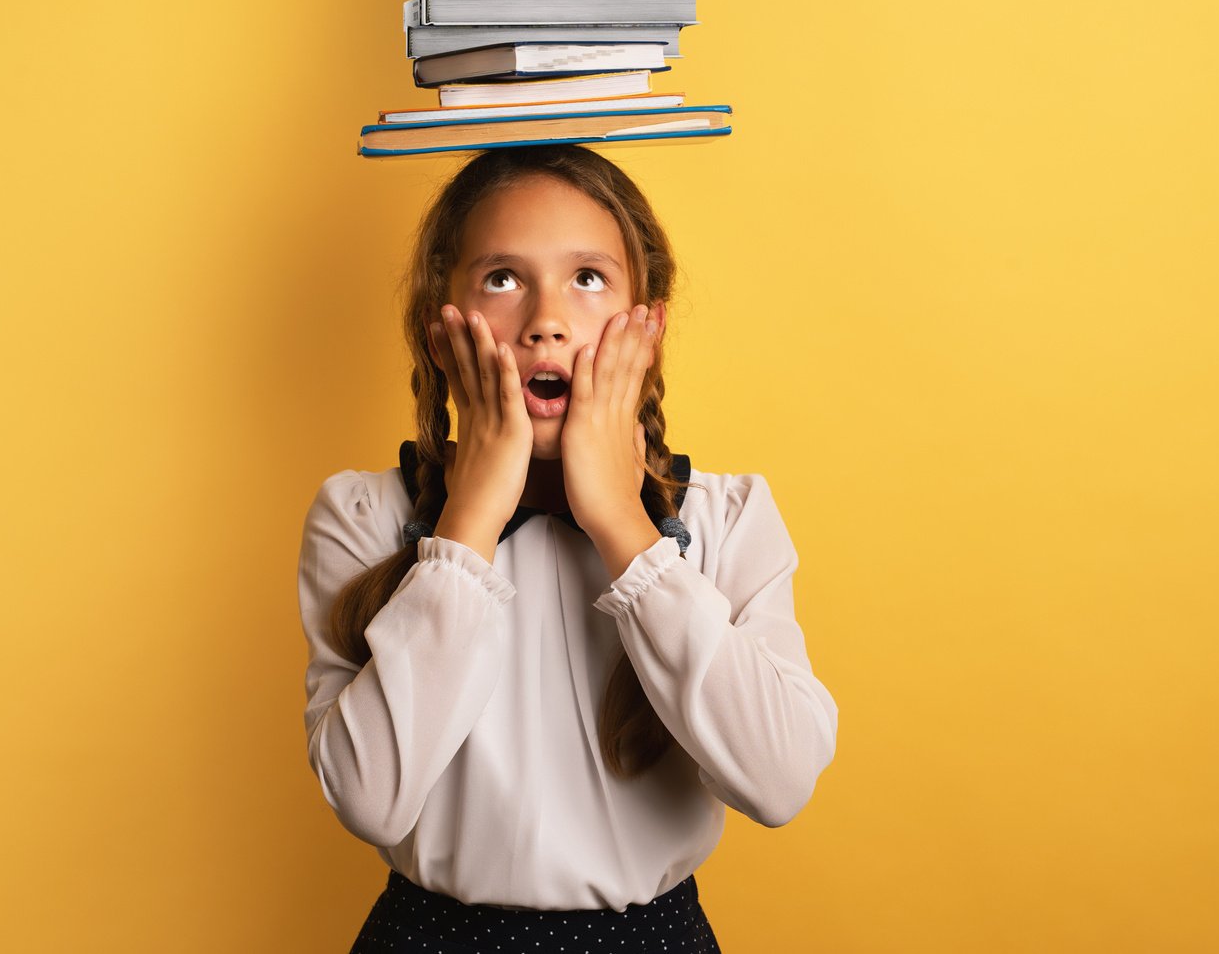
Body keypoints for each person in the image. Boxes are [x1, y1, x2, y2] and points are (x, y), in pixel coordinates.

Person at [297, 144, 839, 951]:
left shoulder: (729, 517)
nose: (545, 319)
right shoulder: (363, 515)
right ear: (438, 326)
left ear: (645, 323)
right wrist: (469, 521)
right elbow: (370, 797)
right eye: (502, 278)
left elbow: (782, 779)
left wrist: (624, 526)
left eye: (588, 277)